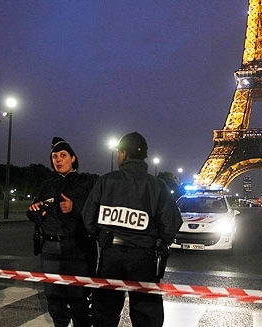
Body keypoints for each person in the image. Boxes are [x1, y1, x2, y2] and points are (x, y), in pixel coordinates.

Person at [82, 131, 182, 327]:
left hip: (111, 254)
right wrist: (158, 242)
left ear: (123, 154)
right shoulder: (157, 186)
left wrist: (101, 235)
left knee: (104, 313)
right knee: (146, 315)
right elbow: (172, 223)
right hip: (144, 258)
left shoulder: (106, 180)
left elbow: (88, 217)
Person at [27, 137, 98, 327]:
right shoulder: (47, 185)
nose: (58, 160)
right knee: (54, 301)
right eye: (54, 156)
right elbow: (34, 210)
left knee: (80, 303)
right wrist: (34, 211)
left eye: (63, 155)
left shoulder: (87, 182)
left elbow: (97, 212)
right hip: (50, 249)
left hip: (78, 250)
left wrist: (75, 207)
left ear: (73, 158)